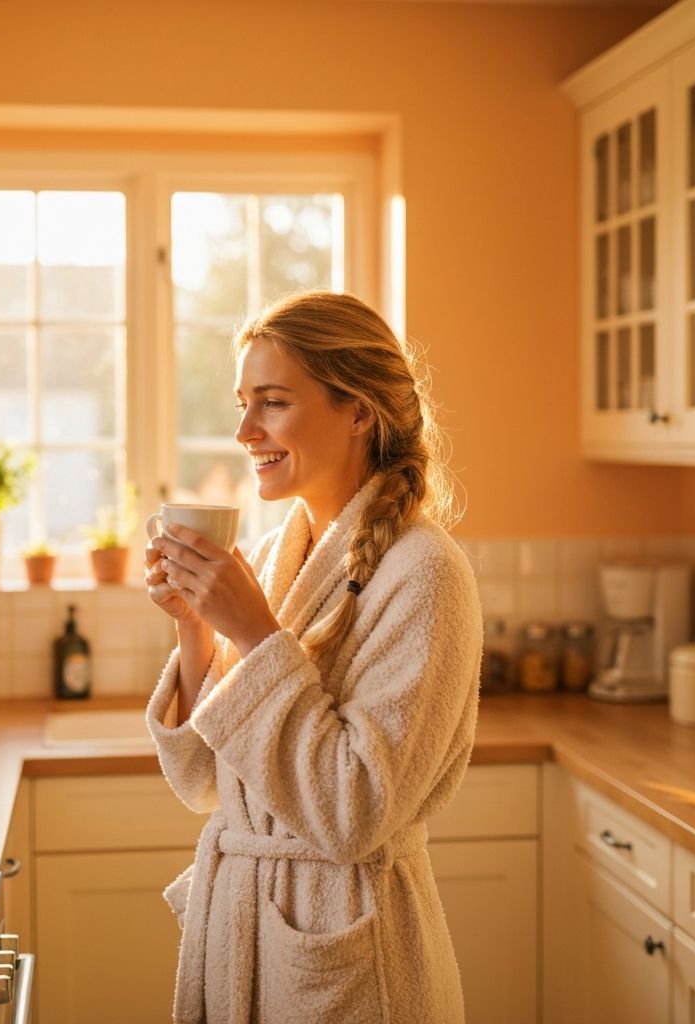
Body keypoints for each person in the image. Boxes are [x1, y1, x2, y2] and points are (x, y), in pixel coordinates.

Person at [143, 290, 481, 1024]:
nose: (243, 430)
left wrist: (257, 635)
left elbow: (355, 811)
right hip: (247, 923)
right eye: (243, 403)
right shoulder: (272, 557)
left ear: (357, 410)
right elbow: (205, 782)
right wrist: (196, 628)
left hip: (348, 953)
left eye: (271, 402)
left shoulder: (426, 573)